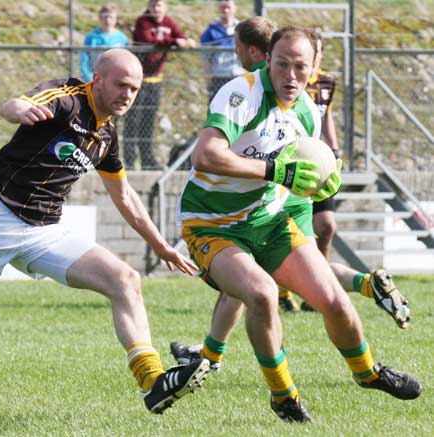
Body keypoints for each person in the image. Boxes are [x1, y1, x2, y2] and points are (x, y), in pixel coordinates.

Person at [170, 25, 421, 423]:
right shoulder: (242, 93)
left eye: (300, 67)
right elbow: (205, 155)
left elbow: (299, 171)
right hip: (211, 223)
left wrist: (324, 180)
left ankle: (369, 373)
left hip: (267, 218)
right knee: (263, 294)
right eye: (282, 64)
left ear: (313, 68)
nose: (290, 76)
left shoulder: (306, 110)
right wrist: (274, 171)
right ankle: (283, 396)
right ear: (266, 59)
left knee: (334, 301)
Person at [0, 48, 210, 415]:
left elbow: (124, 196)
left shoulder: (106, 135)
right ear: (98, 79)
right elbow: (14, 104)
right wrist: (19, 110)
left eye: (134, 89)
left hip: (47, 231)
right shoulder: (68, 99)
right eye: (121, 84)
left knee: (125, 279)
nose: (127, 94)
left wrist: (163, 247)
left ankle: (153, 382)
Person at [280, 30, 340, 312]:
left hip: (320, 164)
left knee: (326, 225)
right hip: (292, 164)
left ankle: (316, 288)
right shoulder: (288, 82)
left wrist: (335, 149)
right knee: (282, 228)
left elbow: (326, 114)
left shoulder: (327, 82)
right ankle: (282, 290)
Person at [123, 0, 196, 170]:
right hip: (138, 81)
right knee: (132, 122)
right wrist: (173, 42)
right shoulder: (143, 21)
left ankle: (148, 160)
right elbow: (149, 41)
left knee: (148, 122)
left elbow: (182, 37)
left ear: (165, 7)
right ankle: (130, 161)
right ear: (149, 7)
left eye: (160, 6)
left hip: (155, 80)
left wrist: (184, 41)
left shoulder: (168, 22)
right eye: (153, 6)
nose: (156, 9)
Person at [200, 0, 244, 103]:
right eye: (223, 7)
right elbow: (206, 57)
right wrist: (208, 76)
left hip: (238, 75)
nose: (226, 10)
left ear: (235, 8)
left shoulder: (242, 29)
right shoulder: (211, 30)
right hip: (219, 76)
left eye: (229, 7)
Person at [80, 4, 129, 83]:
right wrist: (89, 78)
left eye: (111, 17)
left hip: (115, 80)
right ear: (100, 18)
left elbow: (125, 61)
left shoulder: (122, 38)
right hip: (95, 78)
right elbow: (84, 60)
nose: (108, 20)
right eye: (105, 17)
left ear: (116, 19)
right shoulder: (91, 37)